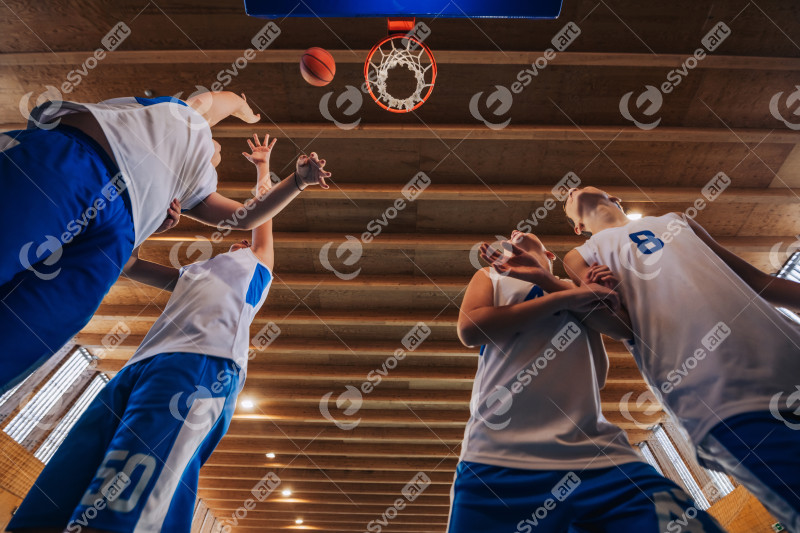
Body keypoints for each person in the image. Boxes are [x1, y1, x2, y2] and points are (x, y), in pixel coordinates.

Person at [6, 133, 307, 533]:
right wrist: (155, 220)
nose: (239, 241)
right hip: (138, 368)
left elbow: (261, 215)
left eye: (245, 240)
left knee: (127, 493)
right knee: (62, 485)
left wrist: (271, 171)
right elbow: (128, 263)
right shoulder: (190, 273)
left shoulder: (258, 267)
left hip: (201, 365)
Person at [0, 91, 330, 394]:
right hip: (82, 157)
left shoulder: (193, 191)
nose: (218, 151)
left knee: (29, 333)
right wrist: (246, 111)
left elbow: (248, 217)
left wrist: (150, 225)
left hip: (118, 232)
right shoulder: (188, 119)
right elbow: (224, 101)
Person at [557, 186, 800, 529]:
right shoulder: (580, 254)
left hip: (787, 358)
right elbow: (620, 325)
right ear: (577, 227)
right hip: (718, 395)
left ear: (614, 197)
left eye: (577, 186)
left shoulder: (677, 220)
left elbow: (760, 282)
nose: (570, 189)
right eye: (565, 197)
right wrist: (602, 296)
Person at [448, 231, 724, 533]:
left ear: (550, 255)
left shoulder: (576, 286)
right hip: (498, 455)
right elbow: (471, 329)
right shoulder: (492, 276)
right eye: (512, 234)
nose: (515, 233)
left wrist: (593, 293)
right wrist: (569, 297)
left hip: (596, 452)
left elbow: (621, 329)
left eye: (523, 232)